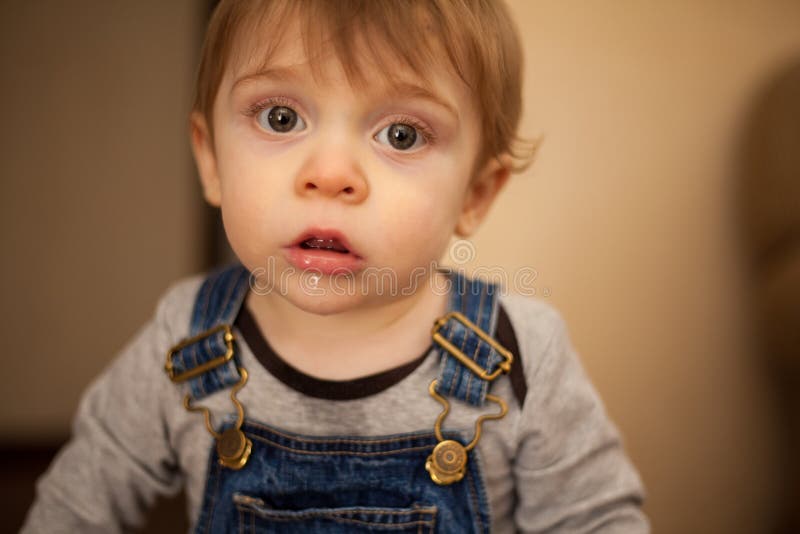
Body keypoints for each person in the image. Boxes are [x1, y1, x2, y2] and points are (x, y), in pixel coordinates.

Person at [22, 1, 649, 532]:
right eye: (281, 118)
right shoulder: (187, 335)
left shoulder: (519, 352)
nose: (330, 174)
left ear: (475, 196)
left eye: (401, 135)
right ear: (210, 160)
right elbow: (75, 505)